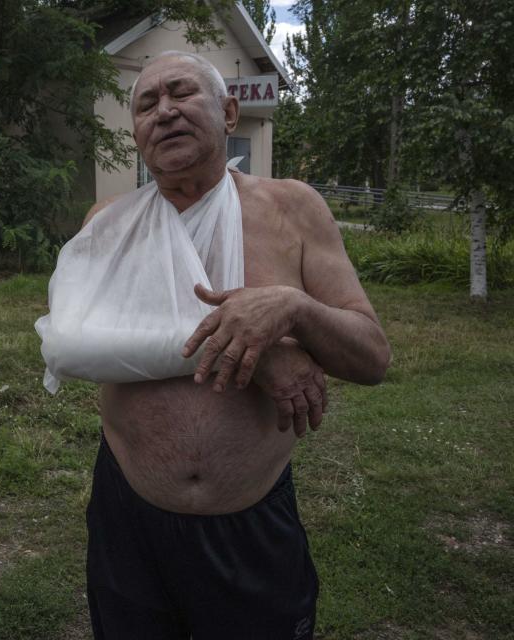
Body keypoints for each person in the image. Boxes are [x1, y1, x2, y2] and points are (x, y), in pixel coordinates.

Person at [81, 52, 391, 638]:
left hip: (252, 521)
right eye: (146, 104)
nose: (164, 111)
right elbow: (70, 344)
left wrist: (289, 308)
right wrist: (259, 352)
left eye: (180, 94)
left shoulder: (291, 208)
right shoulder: (107, 223)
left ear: (228, 112)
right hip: (129, 516)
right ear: (136, 134)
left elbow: (372, 356)